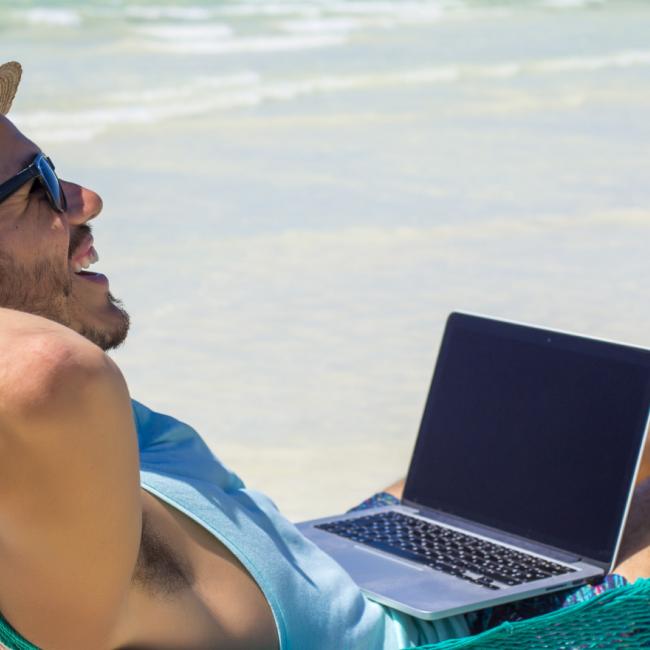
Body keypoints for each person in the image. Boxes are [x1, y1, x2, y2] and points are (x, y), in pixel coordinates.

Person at [0, 60, 647, 650]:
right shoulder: (52, 418)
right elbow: (49, 371)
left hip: (338, 567)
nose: (84, 199)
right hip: (453, 638)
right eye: (39, 185)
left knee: (589, 447)